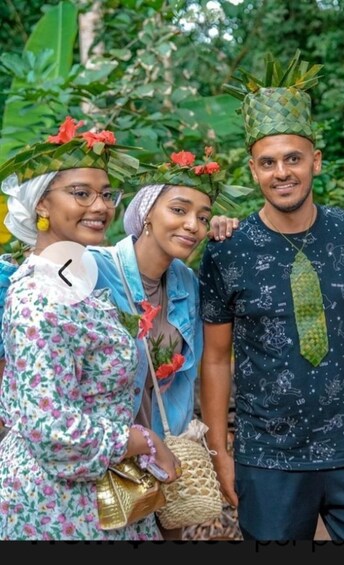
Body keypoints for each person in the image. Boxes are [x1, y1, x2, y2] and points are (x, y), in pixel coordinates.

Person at [198, 52, 344, 541]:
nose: (281, 172)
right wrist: (221, 452)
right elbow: (216, 359)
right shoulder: (228, 250)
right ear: (253, 170)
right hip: (269, 457)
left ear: (315, 162)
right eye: (268, 162)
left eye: (293, 158)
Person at [0, 116, 182, 540]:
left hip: (103, 495)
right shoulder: (38, 297)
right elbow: (52, 429)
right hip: (56, 507)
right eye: (81, 193)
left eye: (106, 194)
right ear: (42, 205)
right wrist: (143, 440)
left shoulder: (76, 281)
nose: (100, 207)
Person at [89, 149, 243, 539]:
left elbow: (211, 358)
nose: (193, 225)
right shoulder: (92, 269)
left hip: (166, 463)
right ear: (146, 214)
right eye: (178, 210)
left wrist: (229, 237)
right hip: (106, 462)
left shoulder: (187, 282)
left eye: (203, 217)